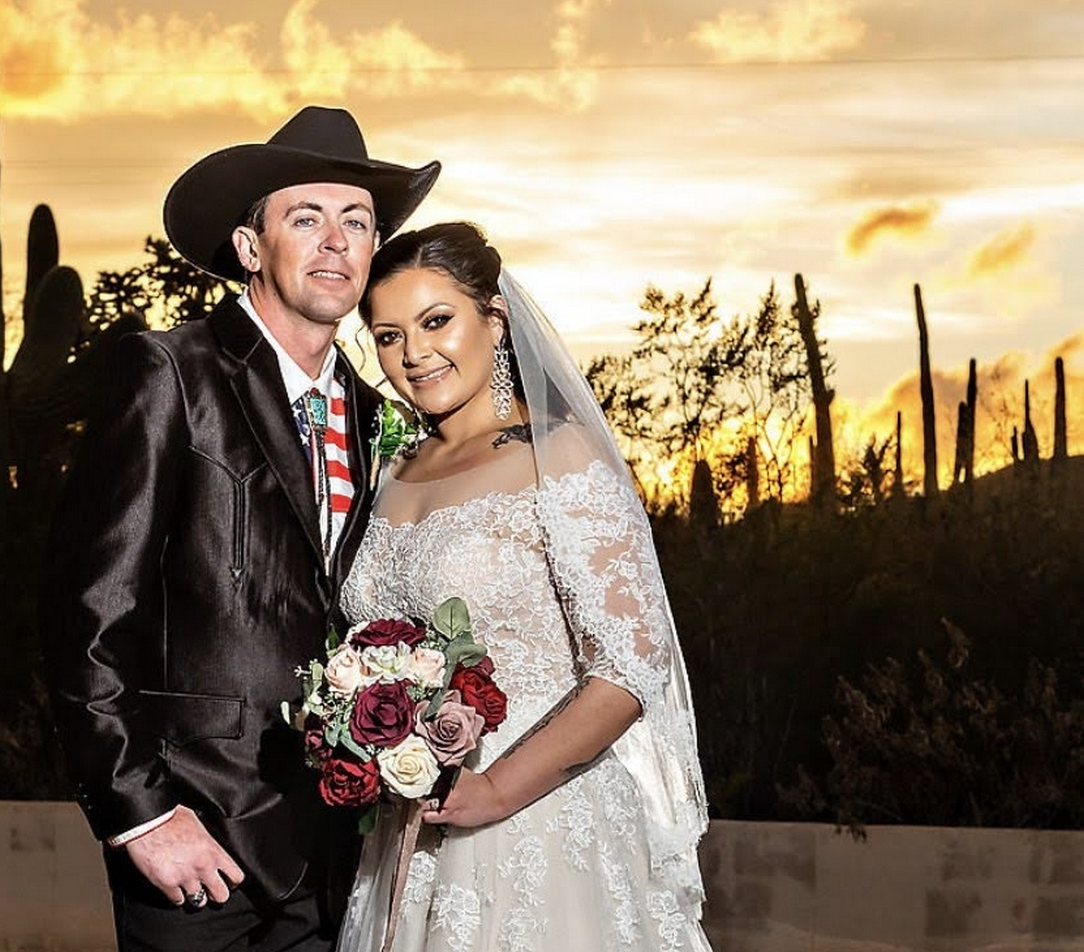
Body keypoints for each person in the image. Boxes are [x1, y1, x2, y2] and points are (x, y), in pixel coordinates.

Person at [40, 106, 440, 952]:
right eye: (306, 218)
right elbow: (89, 610)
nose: (335, 242)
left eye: (356, 222)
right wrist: (136, 813)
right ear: (251, 247)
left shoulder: (382, 421)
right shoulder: (170, 373)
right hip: (196, 838)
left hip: (340, 850)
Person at [337, 222, 714, 951]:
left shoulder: (558, 455)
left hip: (536, 819)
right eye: (387, 336)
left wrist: (497, 790)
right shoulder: (392, 473)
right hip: (407, 836)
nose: (413, 354)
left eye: (436, 321)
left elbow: (629, 669)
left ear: (494, 318)